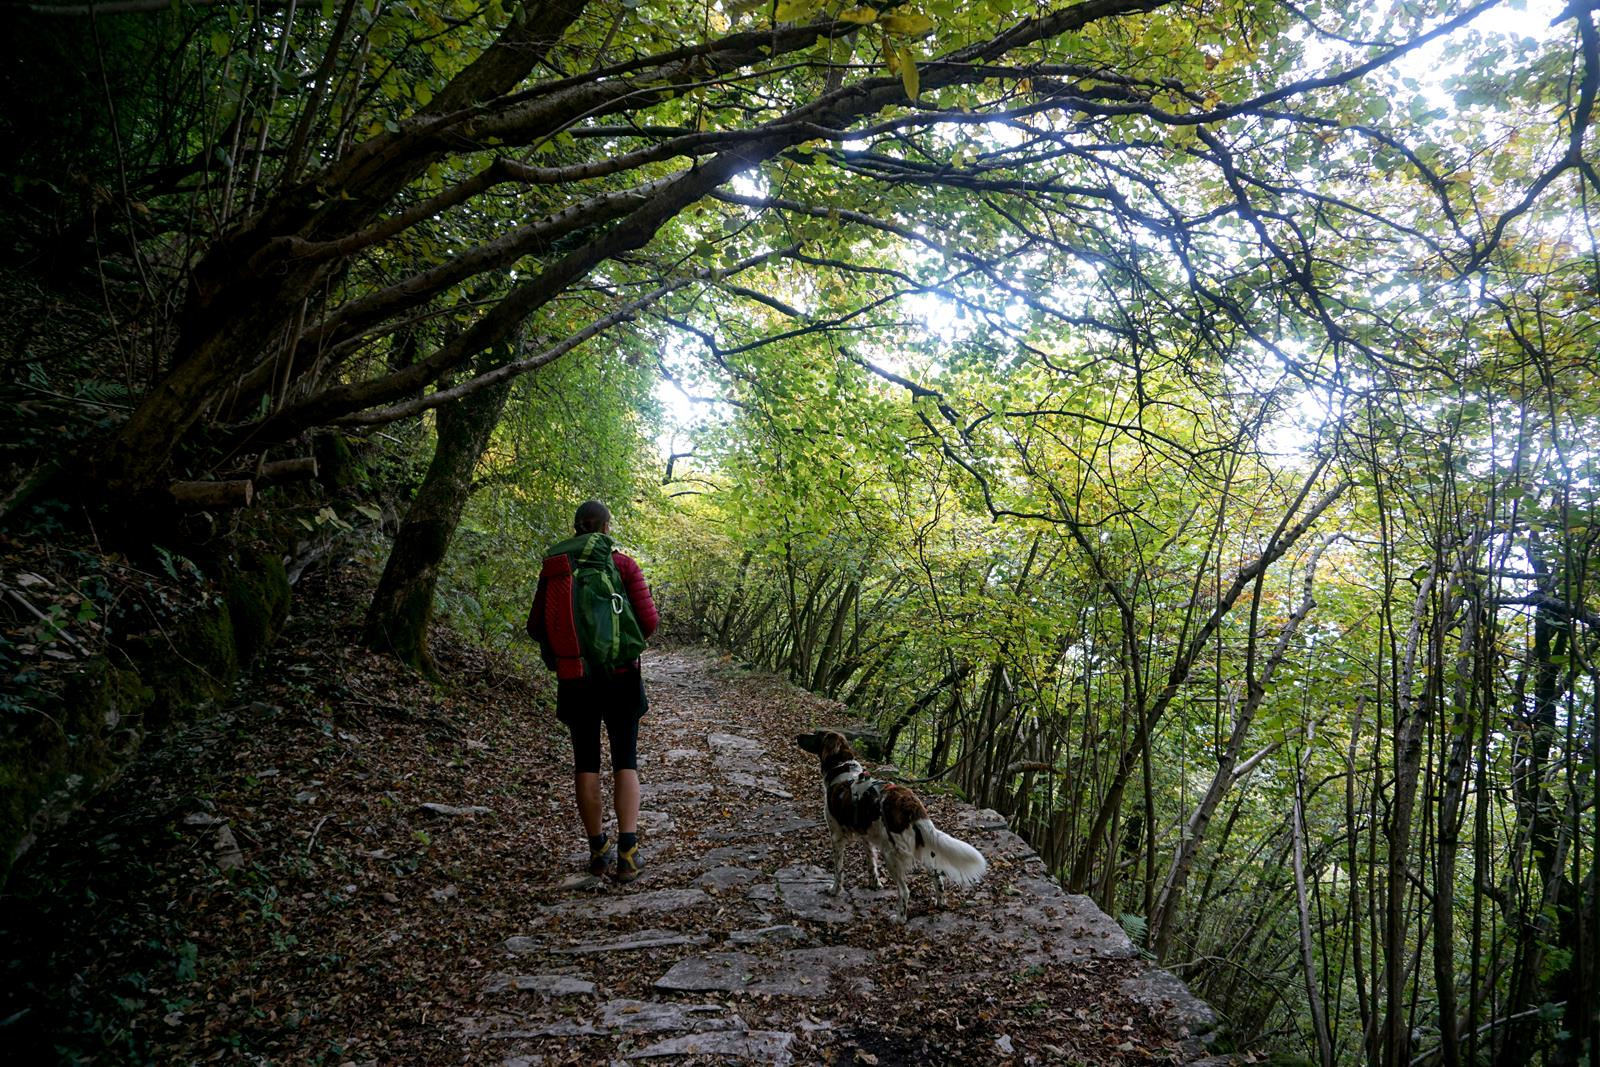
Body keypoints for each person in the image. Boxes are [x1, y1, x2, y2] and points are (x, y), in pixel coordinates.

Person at [527, 500, 658, 882]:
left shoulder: (555, 568)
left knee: (585, 761)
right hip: (620, 676)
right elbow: (648, 622)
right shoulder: (622, 565)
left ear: (575, 528)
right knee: (625, 760)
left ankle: (597, 849)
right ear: (605, 528)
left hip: (574, 676)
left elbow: (537, 627)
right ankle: (629, 852)